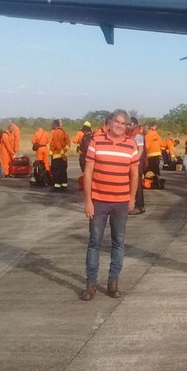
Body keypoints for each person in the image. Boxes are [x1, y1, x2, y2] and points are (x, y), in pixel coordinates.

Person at [80, 109, 140, 301]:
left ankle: (113, 282)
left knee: (118, 242)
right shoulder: (96, 141)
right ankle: (91, 284)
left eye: (124, 124)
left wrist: (132, 199)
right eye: (117, 122)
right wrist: (88, 200)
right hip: (98, 201)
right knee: (94, 242)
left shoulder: (131, 145)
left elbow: (134, 174)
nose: (120, 126)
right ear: (110, 122)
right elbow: (88, 172)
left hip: (121, 202)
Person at [126, 117, 146, 215]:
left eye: (129, 124)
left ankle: (140, 206)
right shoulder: (129, 134)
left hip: (136, 164)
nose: (127, 126)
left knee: (137, 184)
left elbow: (140, 149)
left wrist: (135, 161)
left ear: (135, 125)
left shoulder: (138, 135)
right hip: (130, 163)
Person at [49, 119, 71, 191]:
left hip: (57, 156)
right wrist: (64, 152)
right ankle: (64, 183)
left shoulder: (56, 133)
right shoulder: (64, 132)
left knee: (56, 170)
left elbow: (57, 145)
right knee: (63, 170)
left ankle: (57, 185)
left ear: (55, 125)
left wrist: (62, 154)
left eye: (52, 125)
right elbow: (68, 144)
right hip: (63, 156)